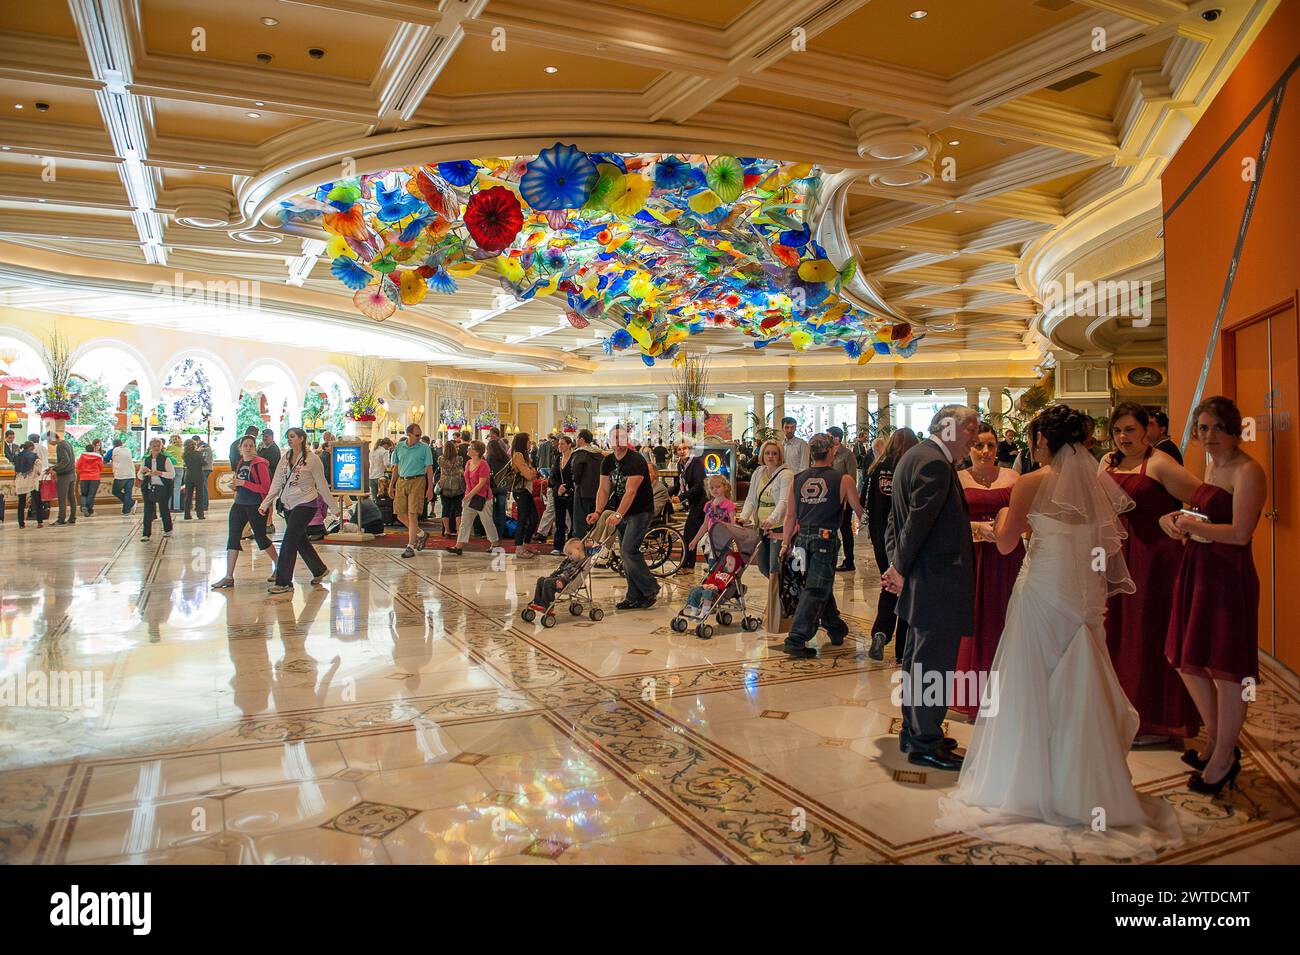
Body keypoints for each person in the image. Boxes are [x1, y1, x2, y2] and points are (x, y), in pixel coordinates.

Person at [936, 405, 1182, 857]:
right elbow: (1105, 542)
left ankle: (1026, 783)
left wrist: (997, 528)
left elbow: (1009, 541)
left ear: (1042, 443)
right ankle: (1086, 784)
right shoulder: (1098, 485)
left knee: (1030, 680)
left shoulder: (1030, 483)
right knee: (1080, 676)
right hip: (1084, 594)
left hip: (1042, 589)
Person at [1163, 396, 1265, 797]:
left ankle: (1222, 755)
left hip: (1228, 576)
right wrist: (1179, 520)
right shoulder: (1209, 465)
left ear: (1234, 429)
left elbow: (1241, 534)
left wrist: (1193, 526)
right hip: (1198, 568)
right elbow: (1205, 514)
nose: (1208, 436)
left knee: (1226, 669)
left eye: (1216, 428)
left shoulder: (1248, 470)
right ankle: (1221, 742)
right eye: (1202, 428)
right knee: (1188, 661)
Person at [882, 405, 978, 772]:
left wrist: (897, 564)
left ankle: (915, 729)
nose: (973, 437)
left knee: (917, 658)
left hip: (923, 578)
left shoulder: (914, 455)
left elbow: (896, 522)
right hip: (937, 580)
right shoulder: (935, 463)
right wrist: (899, 567)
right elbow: (916, 525)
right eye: (971, 429)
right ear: (949, 428)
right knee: (932, 662)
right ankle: (926, 740)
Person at [1104, 402, 1204, 744]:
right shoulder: (1108, 462)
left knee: (1146, 632)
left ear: (1147, 430)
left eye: (1130, 430)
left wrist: (1179, 521)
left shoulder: (1161, 464)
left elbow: (1205, 499)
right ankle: (1121, 714)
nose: (1122, 437)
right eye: (1117, 430)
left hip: (1154, 559)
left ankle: (1155, 719)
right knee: (1115, 631)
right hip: (1115, 555)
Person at [952, 421, 1024, 717]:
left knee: (1007, 618)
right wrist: (977, 529)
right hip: (972, 558)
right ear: (968, 448)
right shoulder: (956, 478)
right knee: (973, 620)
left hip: (1009, 557)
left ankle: (1011, 693)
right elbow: (949, 523)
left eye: (990, 445)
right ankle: (973, 695)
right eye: (978, 445)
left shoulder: (1013, 476)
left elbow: (1025, 516)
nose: (984, 451)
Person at [777, 433, 865, 657]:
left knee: (817, 583)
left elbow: (790, 516)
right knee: (816, 588)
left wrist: (785, 543)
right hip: (825, 540)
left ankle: (836, 628)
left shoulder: (798, 479)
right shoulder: (844, 480)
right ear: (831, 452)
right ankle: (796, 639)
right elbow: (859, 512)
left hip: (801, 540)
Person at [863, 428, 918, 663]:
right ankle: (902, 649)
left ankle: (880, 632)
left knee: (889, 584)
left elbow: (870, 504)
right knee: (906, 589)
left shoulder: (877, 468)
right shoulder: (911, 467)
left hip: (881, 538)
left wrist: (876, 537)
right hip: (903, 537)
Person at [589, 425, 659, 609]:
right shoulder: (608, 461)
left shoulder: (635, 460)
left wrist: (619, 514)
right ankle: (633, 595)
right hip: (623, 512)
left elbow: (631, 491)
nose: (618, 443)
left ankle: (650, 588)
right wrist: (597, 512)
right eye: (615, 439)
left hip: (640, 511)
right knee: (625, 554)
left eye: (622, 439)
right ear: (610, 441)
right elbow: (603, 489)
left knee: (629, 550)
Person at [261, 427, 331, 594]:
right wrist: (266, 503)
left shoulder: (312, 459)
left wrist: (333, 507)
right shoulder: (285, 458)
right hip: (288, 505)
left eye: (292, 436)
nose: (289, 439)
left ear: (301, 438)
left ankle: (284, 582)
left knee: (289, 540)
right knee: (299, 539)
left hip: (306, 503)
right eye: (288, 437)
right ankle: (319, 569)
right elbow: (277, 481)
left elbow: (321, 483)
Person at [211, 434, 278, 590]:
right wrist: (236, 486)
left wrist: (244, 483)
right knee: (233, 538)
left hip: (256, 505)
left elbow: (266, 488)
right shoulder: (241, 462)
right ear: (240, 448)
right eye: (245, 445)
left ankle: (279, 563)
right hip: (239, 504)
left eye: (251, 445)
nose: (248, 448)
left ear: (255, 448)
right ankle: (228, 576)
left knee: (261, 537)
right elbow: (240, 482)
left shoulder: (260, 464)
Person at [737, 439, 791, 578]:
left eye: (774, 453)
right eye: (767, 453)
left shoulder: (786, 474)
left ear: (780, 456)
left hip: (779, 526)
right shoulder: (759, 472)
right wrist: (744, 516)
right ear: (762, 455)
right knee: (763, 565)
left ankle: (779, 596)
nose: (771, 456)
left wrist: (772, 519)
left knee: (775, 566)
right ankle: (779, 590)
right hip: (762, 526)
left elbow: (784, 502)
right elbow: (751, 499)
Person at [386, 423, 433, 559]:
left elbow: (429, 470)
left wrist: (430, 488)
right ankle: (421, 534)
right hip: (402, 480)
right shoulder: (400, 447)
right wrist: (391, 485)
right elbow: (395, 467)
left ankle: (410, 545)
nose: (419, 437)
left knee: (413, 514)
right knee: (400, 514)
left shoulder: (424, 448)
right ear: (409, 434)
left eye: (420, 434)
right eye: (417, 435)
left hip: (418, 481)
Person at [448, 440, 500, 555]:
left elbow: (482, 483)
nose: (468, 449)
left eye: (470, 448)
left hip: (483, 498)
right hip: (469, 496)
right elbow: (467, 481)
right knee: (465, 522)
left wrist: (469, 495)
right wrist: (467, 495)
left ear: (477, 452)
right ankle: (459, 546)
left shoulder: (483, 464)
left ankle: (495, 543)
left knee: (486, 521)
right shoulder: (468, 463)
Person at [672, 439, 707, 571]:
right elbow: (678, 484)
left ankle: (687, 564)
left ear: (690, 449)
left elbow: (699, 485)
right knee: (699, 533)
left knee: (689, 533)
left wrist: (681, 497)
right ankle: (689, 563)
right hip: (693, 502)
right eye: (679, 449)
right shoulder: (680, 465)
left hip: (702, 502)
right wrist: (668, 493)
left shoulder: (695, 463)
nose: (682, 451)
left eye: (684, 448)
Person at [525, 538, 588, 612]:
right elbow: (561, 569)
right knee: (541, 580)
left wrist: (562, 581)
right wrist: (552, 576)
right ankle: (537, 602)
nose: (569, 557)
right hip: (559, 578)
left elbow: (572, 576)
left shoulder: (581, 563)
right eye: (568, 555)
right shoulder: (571, 560)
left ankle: (547, 605)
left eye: (570, 554)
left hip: (565, 582)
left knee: (548, 582)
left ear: (579, 550)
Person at [826, 427, 858, 572]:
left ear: (837, 438)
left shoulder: (847, 455)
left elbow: (851, 477)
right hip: (830, 497)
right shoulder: (828, 453)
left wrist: (846, 499)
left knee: (845, 529)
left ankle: (849, 560)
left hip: (844, 498)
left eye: (830, 437)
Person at [688, 475, 736, 560]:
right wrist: (695, 540)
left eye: (718, 487)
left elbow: (733, 523)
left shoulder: (729, 504)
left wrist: (735, 537)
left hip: (725, 540)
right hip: (711, 540)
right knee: (712, 564)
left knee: (724, 565)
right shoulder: (708, 505)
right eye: (712, 488)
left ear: (725, 487)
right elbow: (705, 524)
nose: (715, 490)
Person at [509, 432, 541, 559]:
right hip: (520, 490)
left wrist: (532, 472)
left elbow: (532, 473)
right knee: (523, 519)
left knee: (534, 518)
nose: (530, 443)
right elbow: (529, 475)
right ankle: (519, 547)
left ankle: (526, 543)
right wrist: (532, 472)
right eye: (528, 441)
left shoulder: (525, 456)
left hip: (526, 490)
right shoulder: (518, 455)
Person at [139, 437, 175, 541]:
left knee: (163, 508)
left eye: (158, 446)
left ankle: (168, 529)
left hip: (163, 487)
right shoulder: (146, 460)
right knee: (148, 509)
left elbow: (171, 474)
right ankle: (146, 533)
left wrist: (160, 473)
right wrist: (143, 472)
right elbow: (140, 476)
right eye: (154, 446)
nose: (156, 448)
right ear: (150, 447)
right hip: (148, 487)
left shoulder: (166, 459)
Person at [569, 429, 602, 537]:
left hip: (582, 491)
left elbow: (575, 471)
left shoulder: (579, 454)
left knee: (579, 521)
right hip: (597, 491)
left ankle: (578, 547)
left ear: (582, 439)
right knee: (595, 521)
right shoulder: (599, 454)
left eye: (577, 438)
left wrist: (575, 482)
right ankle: (595, 544)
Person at [549, 434, 575, 556]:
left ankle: (571, 545)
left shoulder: (574, 459)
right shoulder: (557, 459)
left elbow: (575, 477)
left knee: (573, 521)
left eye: (562, 444)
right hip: (558, 494)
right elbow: (552, 478)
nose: (560, 446)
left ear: (569, 445)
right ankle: (558, 546)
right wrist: (558, 487)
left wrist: (566, 487)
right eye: (559, 444)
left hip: (571, 493)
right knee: (559, 520)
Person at [485, 427, 512, 539]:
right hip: (503, 487)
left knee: (492, 512)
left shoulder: (490, 457)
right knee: (501, 511)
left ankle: (494, 534)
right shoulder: (505, 457)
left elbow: (487, 471)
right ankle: (500, 533)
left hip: (493, 487)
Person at [435, 439, 464, 539]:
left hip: (445, 485)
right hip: (457, 485)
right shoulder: (459, 459)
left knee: (445, 509)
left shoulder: (441, 459)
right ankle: (458, 530)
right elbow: (460, 469)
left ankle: (447, 530)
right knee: (458, 509)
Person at [51, 430, 77, 525]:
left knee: (62, 497)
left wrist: (54, 468)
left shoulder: (60, 446)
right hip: (72, 473)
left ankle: (61, 518)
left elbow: (65, 460)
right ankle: (72, 517)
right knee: (71, 496)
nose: (50, 443)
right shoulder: (67, 443)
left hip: (64, 475)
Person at [13, 440, 40, 529]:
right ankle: (39, 521)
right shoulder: (34, 456)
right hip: (31, 481)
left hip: (20, 481)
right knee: (36, 501)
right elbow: (38, 468)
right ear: (31, 447)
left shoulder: (17, 456)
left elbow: (15, 468)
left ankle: (21, 523)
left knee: (21, 503)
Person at [258, 430, 281, 535]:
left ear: (271, 437)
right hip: (264, 478)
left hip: (270, 478)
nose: (264, 438)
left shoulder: (273, 449)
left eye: (266, 436)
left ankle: (269, 523)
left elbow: (270, 464)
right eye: (263, 436)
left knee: (269, 500)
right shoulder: (264, 448)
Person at [76, 439, 105, 517]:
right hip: (95, 477)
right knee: (91, 494)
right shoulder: (98, 457)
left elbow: (78, 466)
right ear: (93, 449)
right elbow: (101, 468)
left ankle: (83, 507)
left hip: (83, 477)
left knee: (83, 494)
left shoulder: (82, 456)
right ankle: (89, 510)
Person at [109, 438, 136, 514]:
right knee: (128, 492)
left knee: (115, 491)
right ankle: (126, 511)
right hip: (131, 474)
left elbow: (105, 459)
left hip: (120, 474)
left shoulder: (114, 450)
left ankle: (131, 503)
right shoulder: (128, 449)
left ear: (114, 445)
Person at [182, 438, 206, 520]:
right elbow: (204, 463)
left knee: (188, 496)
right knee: (199, 496)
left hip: (188, 476)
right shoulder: (198, 454)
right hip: (199, 476)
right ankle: (200, 514)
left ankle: (187, 514)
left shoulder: (185, 454)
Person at [165, 434, 185, 512]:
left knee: (169, 488)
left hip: (171, 468)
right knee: (177, 488)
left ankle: (168, 507)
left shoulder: (170, 447)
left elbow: (165, 455)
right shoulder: (182, 448)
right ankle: (177, 507)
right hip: (180, 468)